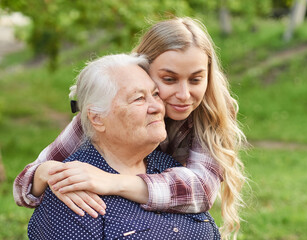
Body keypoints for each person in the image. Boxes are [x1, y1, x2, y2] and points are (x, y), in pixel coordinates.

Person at [15, 17, 245, 239]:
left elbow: (202, 190)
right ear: (142, 72)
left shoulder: (212, 109)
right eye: (168, 79)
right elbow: (23, 188)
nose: (184, 95)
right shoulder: (103, 112)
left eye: (195, 80)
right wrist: (49, 173)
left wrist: (113, 181)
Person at [28, 53, 221, 239]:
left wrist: (115, 183)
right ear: (96, 118)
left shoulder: (169, 166)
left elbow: (204, 193)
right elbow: (26, 185)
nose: (157, 107)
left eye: (155, 94)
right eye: (139, 99)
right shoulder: (73, 188)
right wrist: (44, 171)